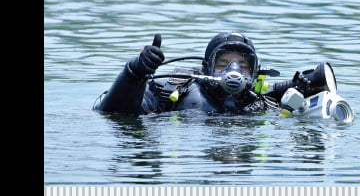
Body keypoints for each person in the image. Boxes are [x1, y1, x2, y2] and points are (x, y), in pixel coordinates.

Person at [93, 32, 334, 117]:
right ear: (207, 67)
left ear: (255, 71)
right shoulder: (173, 90)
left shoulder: (264, 101)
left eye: (243, 64)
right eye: (224, 62)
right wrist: (135, 72)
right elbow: (114, 112)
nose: (234, 71)